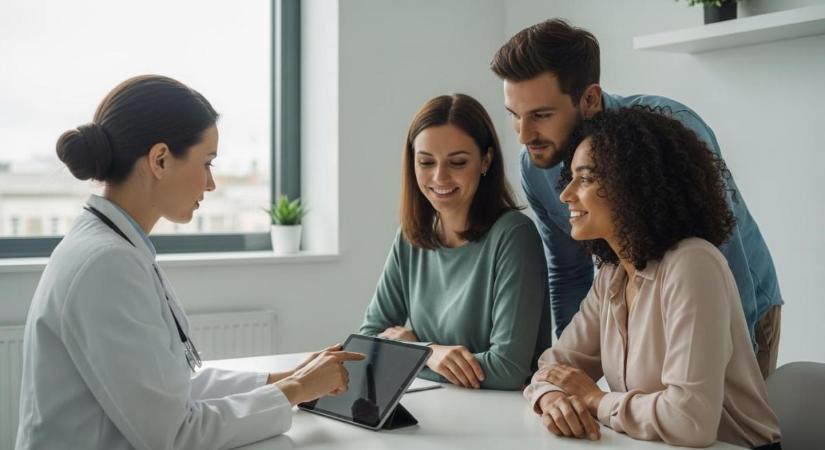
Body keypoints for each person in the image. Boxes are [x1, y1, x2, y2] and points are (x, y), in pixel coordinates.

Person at [15, 75, 364, 450]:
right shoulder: (106, 264)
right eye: (207, 163)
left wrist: (291, 377)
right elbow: (175, 434)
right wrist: (295, 389)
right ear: (160, 159)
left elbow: (171, 389)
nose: (211, 184)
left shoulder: (112, 247)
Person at [490, 19, 783, 378]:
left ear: (590, 99)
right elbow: (568, 272)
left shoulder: (668, 131)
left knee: (719, 427)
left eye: (541, 115)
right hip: (637, 312)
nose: (524, 134)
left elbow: (723, 255)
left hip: (740, 305)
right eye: (514, 116)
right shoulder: (537, 166)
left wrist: (741, 368)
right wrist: (572, 375)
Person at [524, 107, 782, 449]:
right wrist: (554, 399)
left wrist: (595, 400)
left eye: (585, 178)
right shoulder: (613, 275)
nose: (565, 194)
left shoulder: (692, 264)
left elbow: (690, 420)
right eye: (570, 177)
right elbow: (553, 366)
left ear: (633, 185)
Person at [359, 93, 550, 390]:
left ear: (485, 160)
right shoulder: (410, 236)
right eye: (425, 162)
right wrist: (430, 353)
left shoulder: (514, 236)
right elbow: (368, 340)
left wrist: (416, 353)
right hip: (434, 408)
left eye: (457, 162)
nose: (439, 177)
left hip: (503, 420)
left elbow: (508, 369)